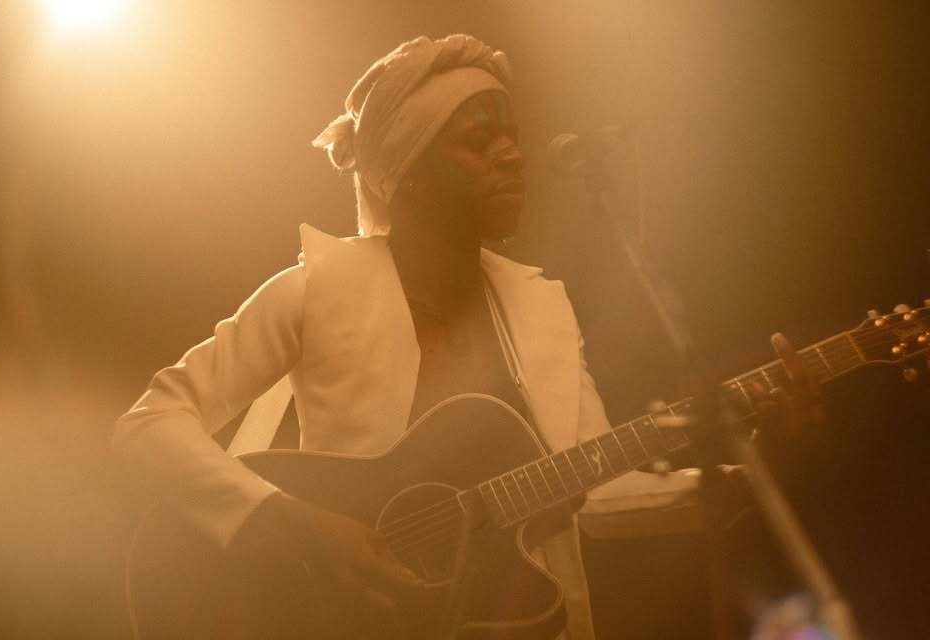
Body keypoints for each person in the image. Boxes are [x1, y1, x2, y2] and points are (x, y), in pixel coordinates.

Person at [114, 34, 820, 639]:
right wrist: (294, 521)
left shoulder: (541, 308)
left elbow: (598, 495)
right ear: (409, 174)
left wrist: (751, 476)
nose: (513, 155)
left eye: (512, 135)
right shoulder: (317, 288)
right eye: (479, 141)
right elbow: (149, 423)